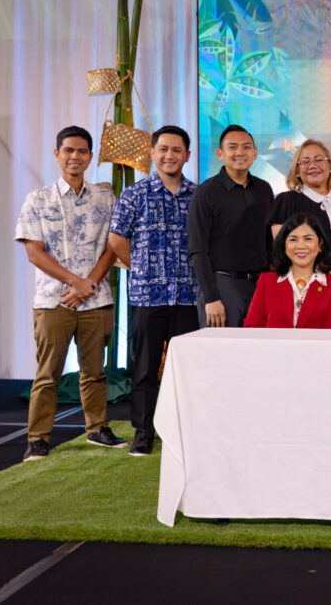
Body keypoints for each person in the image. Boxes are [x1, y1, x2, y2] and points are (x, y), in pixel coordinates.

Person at [14, 126, 126, 461]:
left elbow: (113, 247)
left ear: (90, 157)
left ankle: (98, 429)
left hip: (97, 299)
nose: (74, 157)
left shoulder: (106, 199)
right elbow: (34, 253)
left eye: (81, 151)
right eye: (68, 150)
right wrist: (75, 283)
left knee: (95, 372)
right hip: (53, 301)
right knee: (47, 374)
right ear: (57, 154)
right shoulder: (37, 199)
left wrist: (89, 282)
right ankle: (38, 439)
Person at [108, 125, 200, 457]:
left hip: (188, 296)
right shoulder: (134, 195)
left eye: (176, 150)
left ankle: (184, 432)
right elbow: (116, 238)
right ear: (152, 153)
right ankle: (144, 433)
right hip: (148, 296)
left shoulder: (198, 195)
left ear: (187, 155)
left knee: (186, 370)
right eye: (163, 149)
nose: (169, 156)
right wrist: (143, 267)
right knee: (145, 368)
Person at [269, 139, 331, 328]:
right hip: (307, 287)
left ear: (329, 165)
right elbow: (283, 247)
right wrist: (327, 272)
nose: (312, 165)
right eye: (305, 161)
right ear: (297, 170)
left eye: (318, 159)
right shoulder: (287, 201)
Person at [187, 125, 273, 328]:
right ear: (220, 154)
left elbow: (270, 242)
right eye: (232, 147)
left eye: (246, 147)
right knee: (222, 347)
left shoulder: (264, 189)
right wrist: (211, 298)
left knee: (260, 346)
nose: (240, 152)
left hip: (260, 286)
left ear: (255, 153)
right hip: (223, 286)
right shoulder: (206, 192)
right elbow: (198, 250)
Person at [244, 213, 331, 329]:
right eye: (293, 240)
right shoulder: (267, 281)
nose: (300, 246)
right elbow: (252, 327)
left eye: (308, 239)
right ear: (284, 245)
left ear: (320, 244)